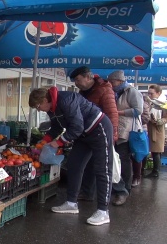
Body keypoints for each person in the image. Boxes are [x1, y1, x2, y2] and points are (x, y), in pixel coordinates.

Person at [29, 87, 113, 226]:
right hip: (82, 135)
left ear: (45, 100)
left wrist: (59, 142)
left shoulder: (67, 100)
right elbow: (56, 126)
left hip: (99, 129)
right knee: (74, 165)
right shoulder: (52, 108)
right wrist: (46, 140)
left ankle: (103, 211)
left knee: (102, 169)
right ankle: (71, 203)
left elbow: (77, 127)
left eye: (38, 106)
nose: (39, 110)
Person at [69, 66, 119, 201]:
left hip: (101, 132)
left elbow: (112, 114)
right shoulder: (83, 91)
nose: (76, 83)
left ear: (88, 77)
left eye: (78, 79)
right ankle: (87, 193)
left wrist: (112, 136)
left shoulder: (104, 90)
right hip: (86, 133)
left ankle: (120, 192)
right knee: (88, 165)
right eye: (75, 80)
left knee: (104, 166)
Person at [107, 70, 143, 205]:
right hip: (115, 129)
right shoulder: (114, 92)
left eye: (112, 82)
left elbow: (138, 110)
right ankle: (118, 187)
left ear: (120, 81)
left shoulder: (131, 91)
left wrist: (118, 112)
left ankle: (125, 189)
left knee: (124, 159)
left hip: (127, 131)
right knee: (115, 159)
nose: (110, 84)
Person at [145, 84, 167, 178]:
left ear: (158, 93)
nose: (149, 95)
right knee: (155, 150)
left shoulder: (163, 103)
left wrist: (160, 121)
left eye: (152, 93)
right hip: (150, 127)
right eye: (149, 93)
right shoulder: (150, 102)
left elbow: (165, 117)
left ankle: (155, 171)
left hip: (158, 129)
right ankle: (155, 170)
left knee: (156, 150)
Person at [131, 95, 151, 186]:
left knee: (137, 153)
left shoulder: (143, 104)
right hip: (127, 130)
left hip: (139, 131)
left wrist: (134, 120)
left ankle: (137, 176)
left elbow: (146, 118)